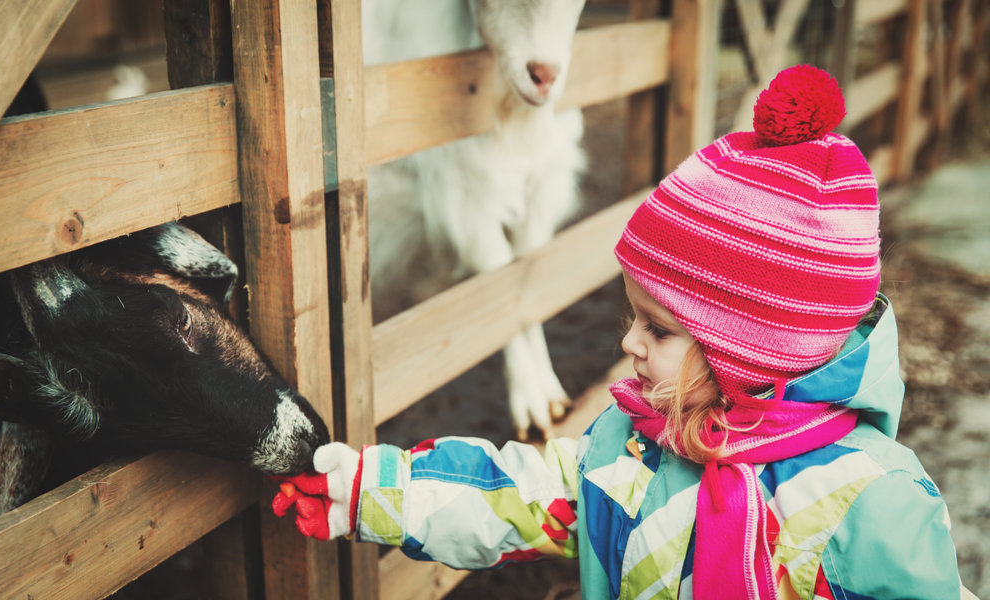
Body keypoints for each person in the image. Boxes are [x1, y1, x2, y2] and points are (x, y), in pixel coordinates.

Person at [272, 66, 977, 599]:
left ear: (754, 350)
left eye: (658, 329)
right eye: (633, 317)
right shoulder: (634, 447)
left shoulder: (871, 505)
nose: (628, 345)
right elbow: (515, 497)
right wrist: (374, 490)